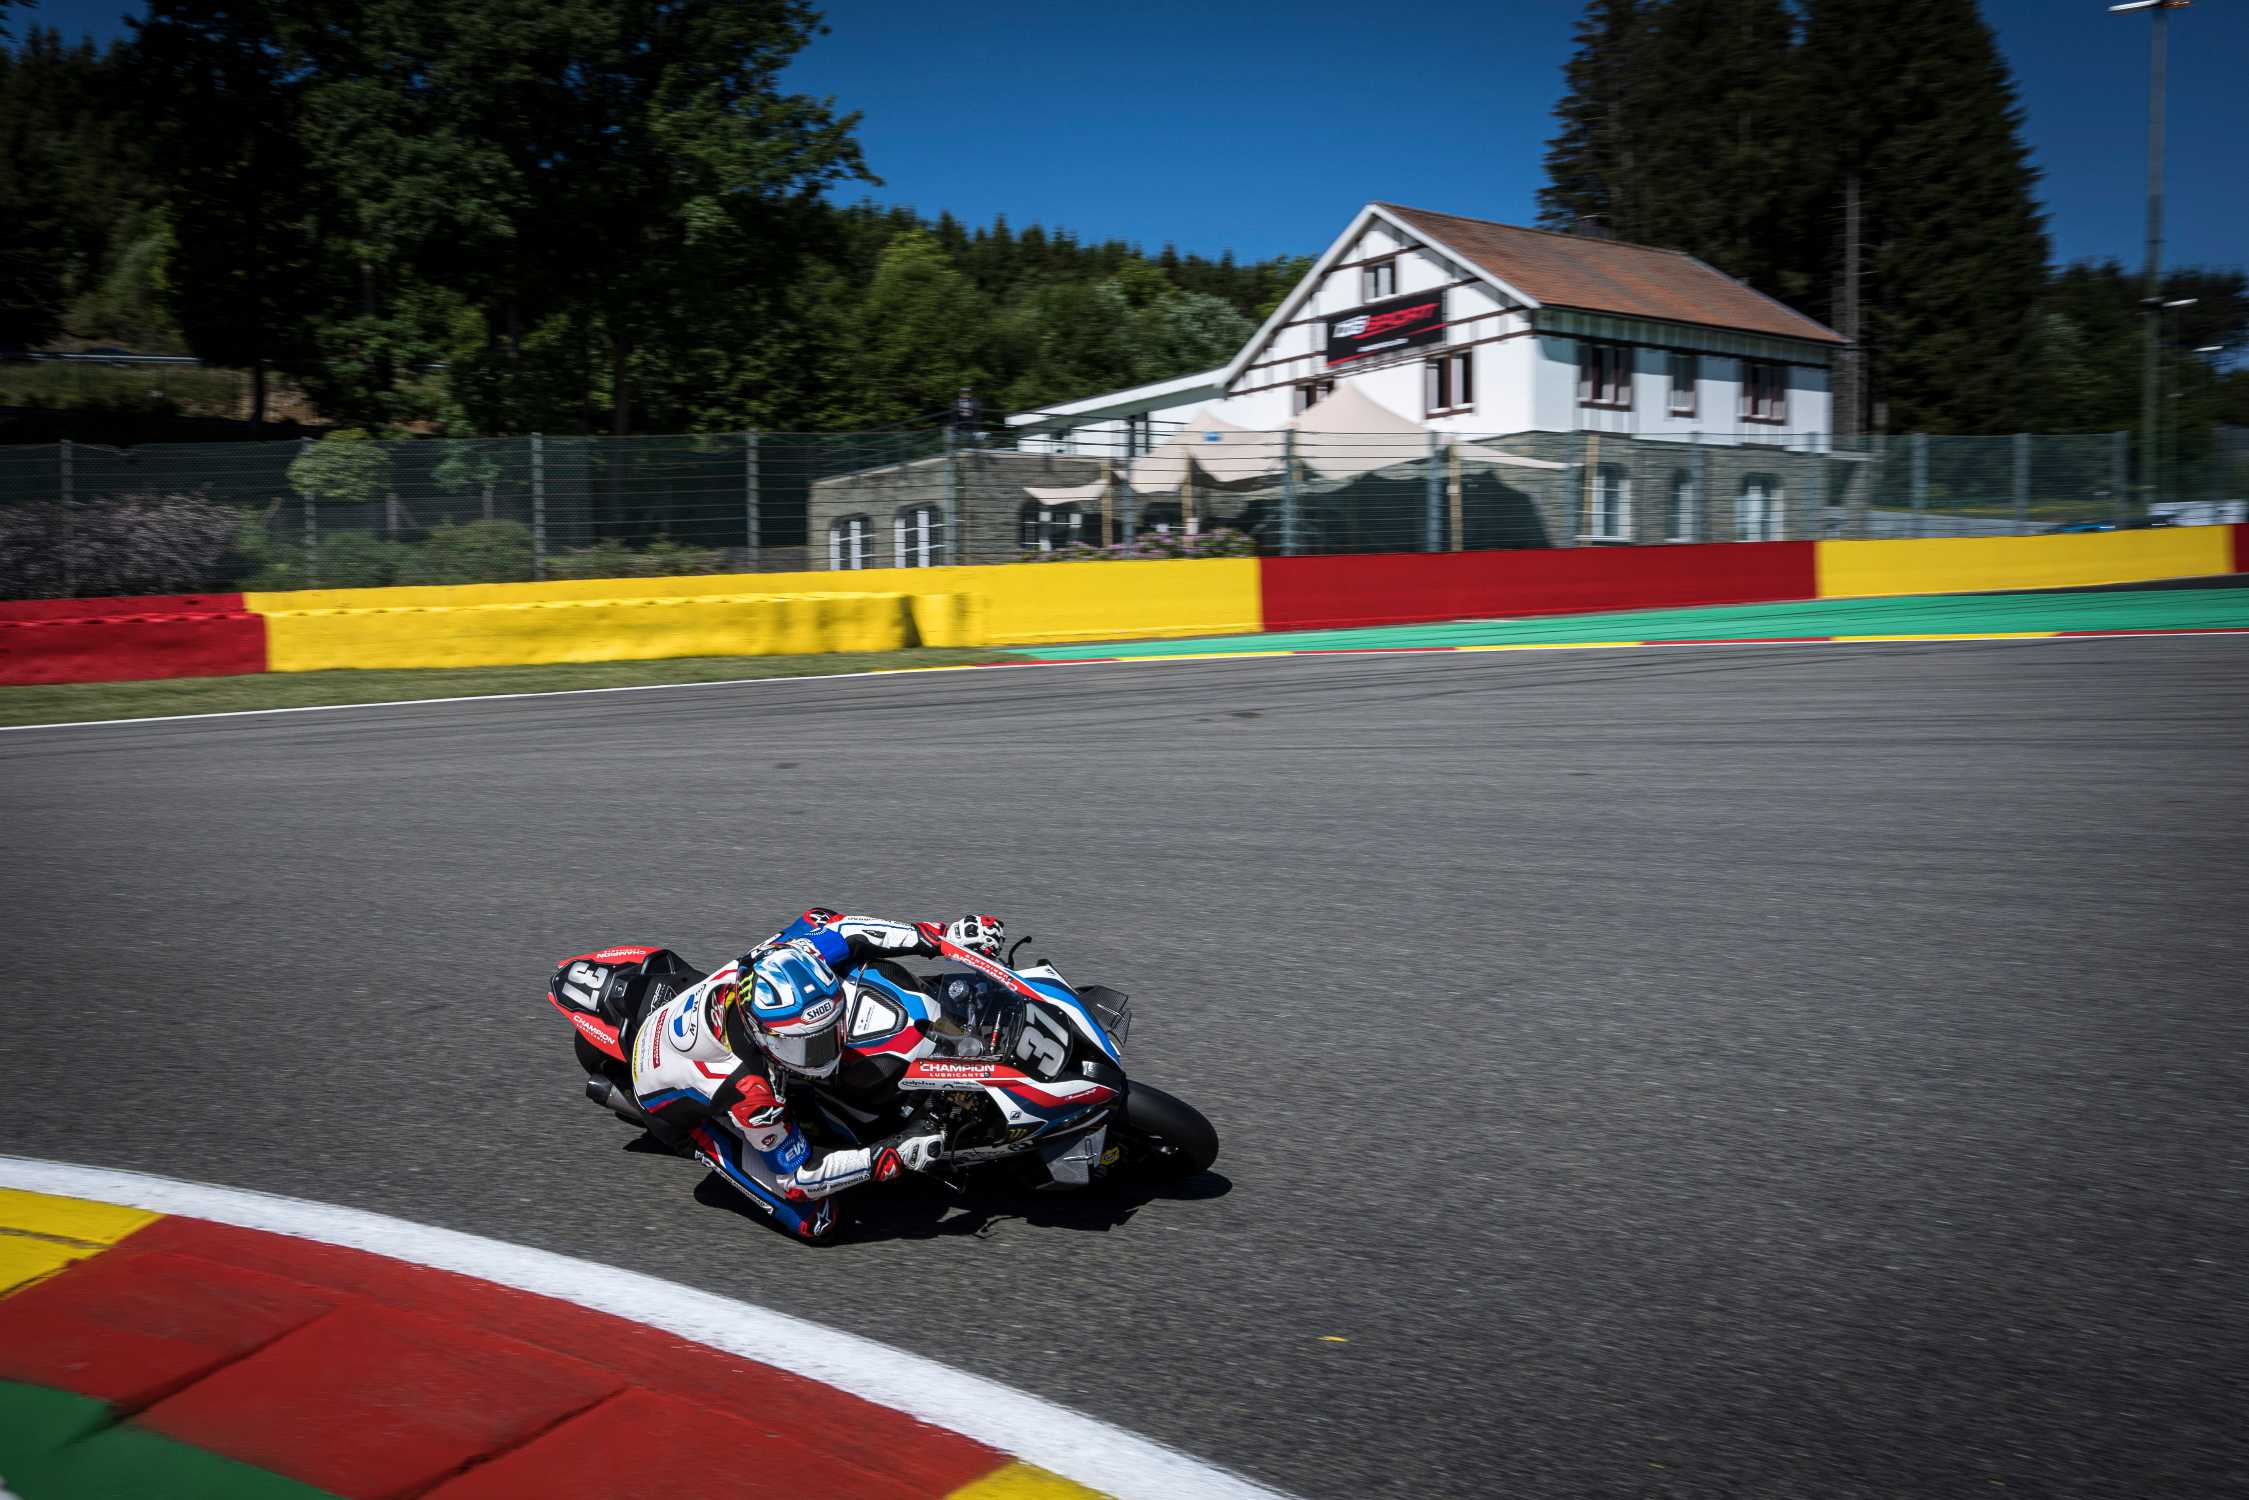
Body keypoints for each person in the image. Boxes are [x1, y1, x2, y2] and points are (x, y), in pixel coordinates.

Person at [629, 908, 1005, 1240]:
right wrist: (884, 1156)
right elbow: (800, 1178)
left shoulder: (788, 956)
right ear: (765, 1036)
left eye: (831, 1032)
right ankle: (713, 1146)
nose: (830, 1051)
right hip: (675, 1109)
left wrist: (940, 937)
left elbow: (845, 929)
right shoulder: (750, 1093)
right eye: (810, 1046)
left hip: (700, 1013)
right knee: (816, 1219)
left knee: (832, 937)